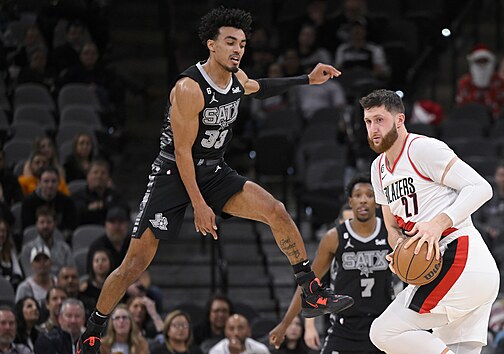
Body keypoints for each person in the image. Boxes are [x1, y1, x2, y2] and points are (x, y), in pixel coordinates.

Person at [78, 7, 353, 354]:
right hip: (172, 175)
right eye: (230, 43)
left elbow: (257, 87)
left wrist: (306, 80)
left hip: (213, 169)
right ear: (211, 45)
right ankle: (92, 329)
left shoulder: (235, 78)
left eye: (241, 43)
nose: (238, 49)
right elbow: (181, 153)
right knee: (135, 264)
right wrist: (199, 206)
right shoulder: (189, 88)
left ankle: (310, 290)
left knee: (277, 210)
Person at [361, 89, 500, 354]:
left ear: (399, 120)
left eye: (380, 120)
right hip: (450, 270)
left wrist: (437, 224)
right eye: (368, 122)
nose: (373, 129)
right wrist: (399, 248)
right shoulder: (377, 169)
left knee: (384, 331)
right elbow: (391, 226)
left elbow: (481, 187)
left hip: (459, 256)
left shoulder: (422, 149)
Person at [269, 174, 392, 353]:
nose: (363, 200)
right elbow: (308, 285)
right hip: (344, 327)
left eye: (369, 195)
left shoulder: (389, 232)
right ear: (350, 201)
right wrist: (285, 323)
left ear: (377, 201)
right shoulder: (334, 237)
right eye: (358, 195)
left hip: (382, 325)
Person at [456, 44, 504, 117]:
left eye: (485, 61)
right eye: (478, 62)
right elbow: (461, 105)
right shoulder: (465, 83)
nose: (482, 65)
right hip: (471, 120)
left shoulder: (501, 82)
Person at [20, 207, 74, 277]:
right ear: (36, 224)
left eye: (49, 222)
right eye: (42, 222)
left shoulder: (65, 248)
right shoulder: (27, 250)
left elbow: (71, 273)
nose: (45, 226)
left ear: (54, 224)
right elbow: (31, 277)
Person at [20, 167, 76, 235]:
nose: (50, 185)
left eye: (53, 181)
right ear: (39, 183)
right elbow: (28, 229)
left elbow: (70, 227)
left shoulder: (67, 202)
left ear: (59, 183)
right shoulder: (28, 202)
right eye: (46, 181)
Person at [71, 160, 128, 226]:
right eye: (95, 172)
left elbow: (124, 211)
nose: (99, 176)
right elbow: (77, 215)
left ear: (108, 178)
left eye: (103, 173)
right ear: (88, 176)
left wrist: (99, 207)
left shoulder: (115, 196)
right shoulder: (77, 196)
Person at [0, 218, 23, 290]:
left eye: (3, 231)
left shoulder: (10, 251)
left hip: (10, 288)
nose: (1, 234)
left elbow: (18, 273)